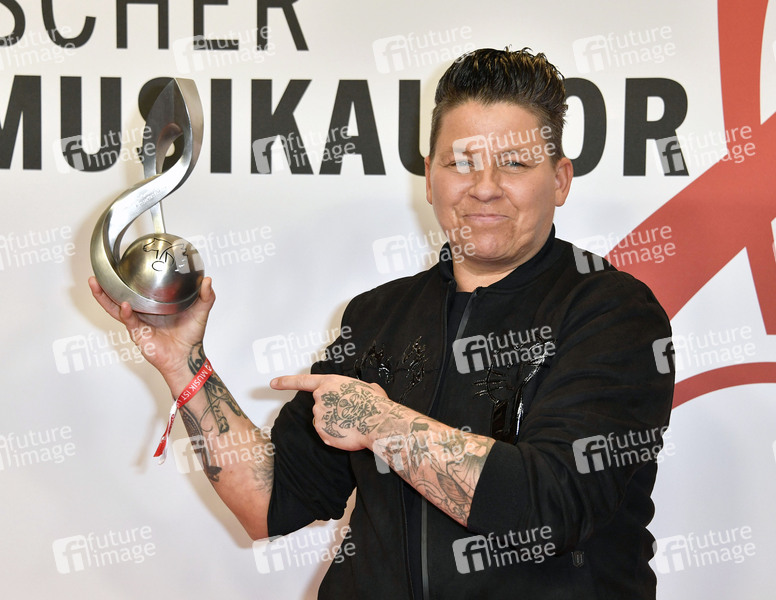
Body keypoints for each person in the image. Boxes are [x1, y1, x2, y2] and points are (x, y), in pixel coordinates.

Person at [89, 48, 674, 599]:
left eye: (515, 163)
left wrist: (381, 423)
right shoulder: (377, 316)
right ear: (430, 176)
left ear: (561, 179)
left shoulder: (612, 313)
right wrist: (183, 362)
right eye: (461, 162)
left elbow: (551, 507)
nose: (484, 187)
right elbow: (269, 503)